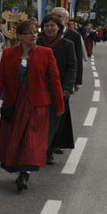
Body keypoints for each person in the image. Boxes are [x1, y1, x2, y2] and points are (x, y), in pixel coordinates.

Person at [0, 19, 64, 191]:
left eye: (35, 32)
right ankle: (18, 167)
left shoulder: (46, 53)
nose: (34, 35)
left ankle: (25, 172)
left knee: (31, 140)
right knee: (15, 138)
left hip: (36, 103)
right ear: (20, 36)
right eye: (29, 33)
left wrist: (59, 105)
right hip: (14, 102)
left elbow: (54, 80)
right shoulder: (9, 53)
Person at [38, 14, 76, 166]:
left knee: (54, 122)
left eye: (52, 26)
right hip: (39, 88)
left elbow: (72, 66)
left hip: (59, 90)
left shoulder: (67, 44)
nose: (49, 28)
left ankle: (49, 150)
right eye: (46, 26)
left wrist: (67, 87)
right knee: (39, 121)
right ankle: (38, 149)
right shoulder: (38, 42)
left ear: (59, 28)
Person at [51, 7, 84, 91]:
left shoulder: (74, 36)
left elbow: (78, 58)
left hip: (65, 76)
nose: (56, 18)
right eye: (54, 16)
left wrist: (78, 81)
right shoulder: (44, 34)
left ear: (66, 20)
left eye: (59, 16)